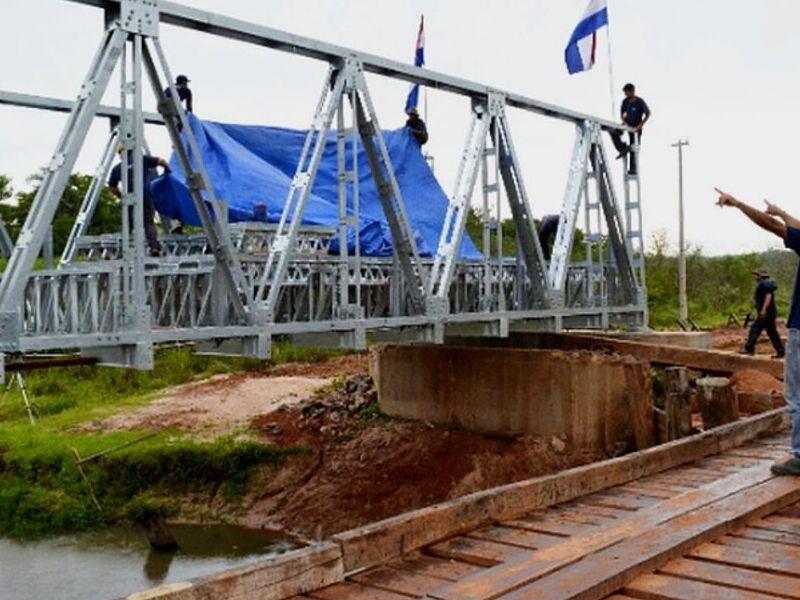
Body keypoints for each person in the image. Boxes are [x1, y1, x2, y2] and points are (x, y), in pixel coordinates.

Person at [716, 188, 800, 475]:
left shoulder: (766, 286)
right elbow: (790, 225)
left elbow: (775, 228)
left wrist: (739, 204)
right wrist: (780, 210)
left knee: (797, 392)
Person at [108, 147, 171, 257]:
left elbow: (112, 186)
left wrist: (120, 196)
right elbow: (161, 161)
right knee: (148, 222)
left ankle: (124, 250)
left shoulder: (118, 168)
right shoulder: (142, 159)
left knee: (127, 224)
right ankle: (154, 247)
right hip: (145, 194)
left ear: (120, 155)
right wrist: (167, 170)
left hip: (129, 197)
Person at [742, 268, 785, 358]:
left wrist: (763, 309)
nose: (754, 277)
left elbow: (768, 296)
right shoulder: (766, 283)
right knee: (772, 332)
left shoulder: (764, 284)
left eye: (755, 275)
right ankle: (780, 351)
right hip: (770, 313)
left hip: (766, 313)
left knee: (755, 329)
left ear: (760, 275)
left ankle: (749, 348)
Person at [610, 83, 651, 175]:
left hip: (636, 127)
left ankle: (633, 168)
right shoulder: (625, 101)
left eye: (627, 93)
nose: (626, 95)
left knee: (634, 147)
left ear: (632, 91)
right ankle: (622, 148)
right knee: (613, 131)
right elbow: (622, 114)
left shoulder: (640, 102)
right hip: (627, 125)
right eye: (625, 93)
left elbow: (648, 113)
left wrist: (640, 125)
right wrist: (624, 122)